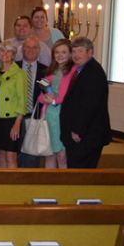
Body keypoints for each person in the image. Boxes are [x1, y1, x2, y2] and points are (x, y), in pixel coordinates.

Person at [59, 37, 111, 168]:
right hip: (84, 133)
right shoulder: (82, 70)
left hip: (86, 135)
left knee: (80, 171)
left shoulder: (93, 72)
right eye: (74, 51)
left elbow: (89, 105)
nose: (76, 55)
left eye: (80, 51)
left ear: (90, 53)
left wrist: (77, 129)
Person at [0, 40, 28, 168]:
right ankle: (2, 186)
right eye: (2, 50)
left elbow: (22, 100)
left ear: (13, 54)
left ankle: (12, 187)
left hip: (11, 120)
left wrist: (17, 123)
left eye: (9, 51)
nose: (5, 53)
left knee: (10, 156)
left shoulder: (19, 74)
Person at [37, 39, 73, 169]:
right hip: (48, 115)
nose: (60, 55)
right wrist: (45, 98)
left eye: (64, 52)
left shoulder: (73, 72)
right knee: (49, 154)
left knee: (62, 155)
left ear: (70, 54)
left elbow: (68, 96)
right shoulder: (50, 72)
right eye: (57, 52)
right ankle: (49, 184)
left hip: (62, 117)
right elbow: (41, 96)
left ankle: (63, 185)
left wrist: (54, 100)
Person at [16, 36, 49, 168]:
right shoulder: (13, 67)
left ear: (39, 50)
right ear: (22, 49)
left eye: (34, 47)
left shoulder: (46, 71)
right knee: (16, 152)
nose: (30, 50)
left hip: (35, 117)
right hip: (15, 117)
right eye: (27, 47)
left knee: (32, 155)